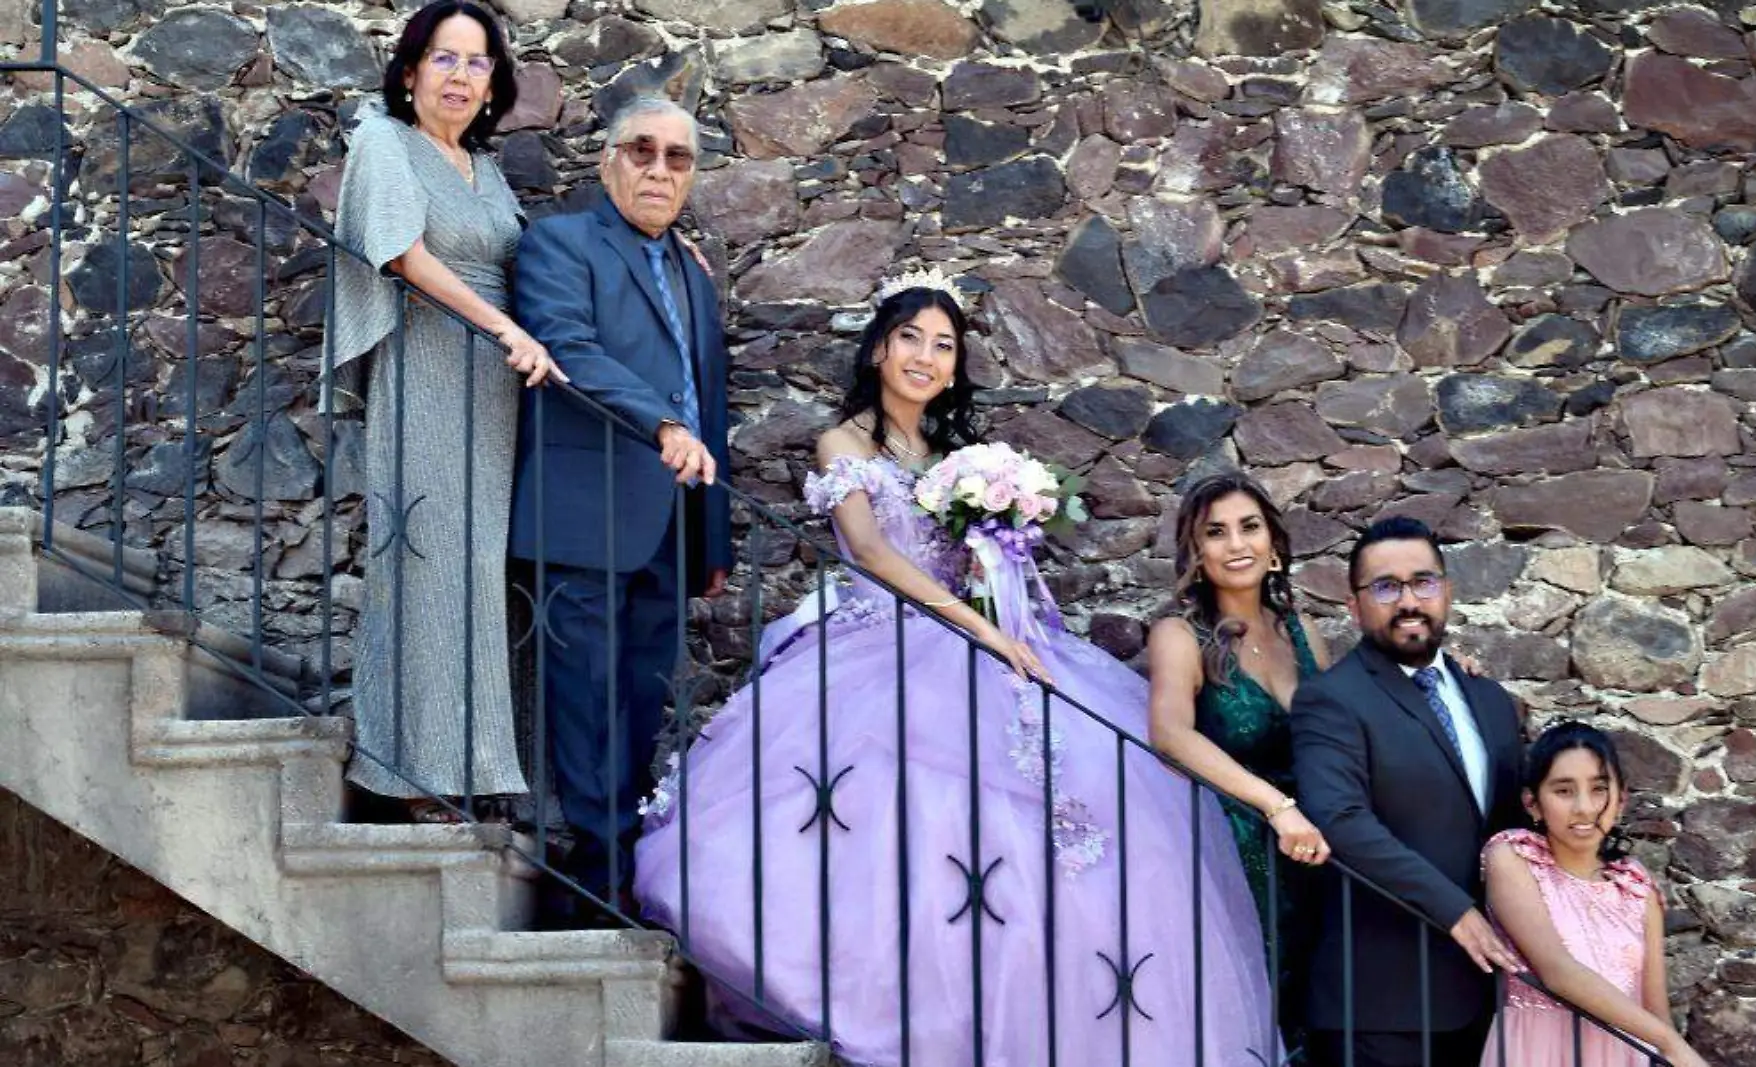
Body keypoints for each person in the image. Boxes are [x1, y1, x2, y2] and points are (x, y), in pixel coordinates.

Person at [634, 277, 1279, 1066]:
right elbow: (870, 550)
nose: (926, 356)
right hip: (879, 641)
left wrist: (999, 558)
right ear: (879, 348)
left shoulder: (959, 460)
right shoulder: (845, 442)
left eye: (943, 345)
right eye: (911, 337)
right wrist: (975, 625)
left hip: (978, 635)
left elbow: (979, 563)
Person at [331, 0, 561, 822]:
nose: (461, 76)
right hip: (429, 369)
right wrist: (504, 328)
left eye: (478, 62)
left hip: (499, 390)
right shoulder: (383, 141)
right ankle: (411, 773)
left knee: (489, 575)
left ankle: (484, 765)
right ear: (409, 70)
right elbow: (401, 253)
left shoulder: (485, 170)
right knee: (429, 563)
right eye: (445, 58)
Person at [508, 95, 731, 919]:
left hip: (671, 528)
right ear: (609, 160)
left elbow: (710, 398)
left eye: (679, 158)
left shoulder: (691, 272)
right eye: (643, 150)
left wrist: (712, 533)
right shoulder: (559, 243)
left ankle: (628, 867)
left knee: (642, 702)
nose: (660, 169)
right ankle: (595, 881)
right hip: (584, 512)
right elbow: (567, 347)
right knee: (587, 699)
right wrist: (662, 423)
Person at [1290, 516, 1527, 1067]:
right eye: (1385, 587)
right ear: (1355, 606)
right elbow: (1340, 819)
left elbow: (1514, 827)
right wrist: (1458, 912)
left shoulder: (1489, 699)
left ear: (1446, 590)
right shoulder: (1331, 700)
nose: (1408, 601)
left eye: (1423, 581)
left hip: (1484, 998)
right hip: (1379, 1009)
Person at [1146, 471, 1332, 1050]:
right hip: (1231, 847)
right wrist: (1275, 807)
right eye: (1216, 532)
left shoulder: (1302, 631)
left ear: (1273, 544)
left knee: (1315, 1002)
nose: (1236, 544)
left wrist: (1433, 677)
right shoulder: (1180, 634)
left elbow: (1347, 724)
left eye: (1249, 527)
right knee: (1250, 1012)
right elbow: (1169, 734)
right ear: (1197, 553)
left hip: (1311, 848)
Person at [1481, 722, 1708, 1067]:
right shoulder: (1514, 858)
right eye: (1564, 791)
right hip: (1538, 1051)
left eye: (1599, 789)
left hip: (1623, 1054)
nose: (1584, 808)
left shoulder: (1635, 887)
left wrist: (1667, 1048)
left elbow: (1655, 1007)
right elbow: (1556, 970)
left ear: (1621, 800)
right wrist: (1672, 1044)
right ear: (1533, 803)